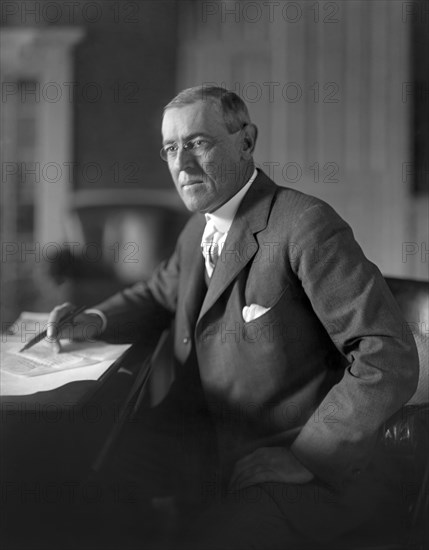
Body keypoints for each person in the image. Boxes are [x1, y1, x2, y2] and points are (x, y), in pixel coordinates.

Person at [48, 86, 419, 549]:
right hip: (210, 443)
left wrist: (308, 457)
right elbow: (158, 293)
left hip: (301, 465)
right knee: (83, 491)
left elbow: (388, 353)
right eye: (170, 148)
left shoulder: (306, 225)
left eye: (198, 143)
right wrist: (94, 321)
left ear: (246, 141)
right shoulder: (197, 229)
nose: (181, 164)